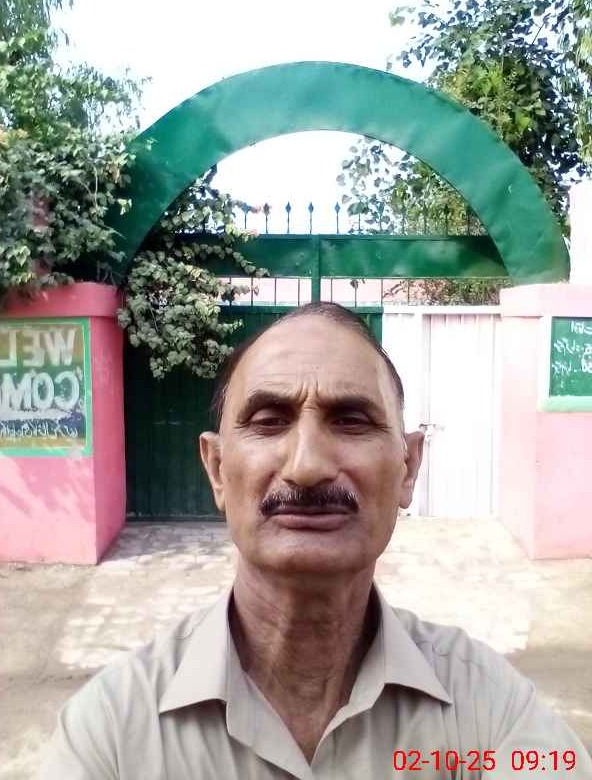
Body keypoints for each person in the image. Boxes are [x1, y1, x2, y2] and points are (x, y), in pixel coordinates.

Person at [40, 302, 592, 779]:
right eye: (268, 420)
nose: (306, 466)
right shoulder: (110, 733)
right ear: (216, 469)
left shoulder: (492, 712)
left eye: (351, 420)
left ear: (408, 467)